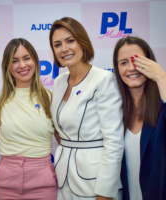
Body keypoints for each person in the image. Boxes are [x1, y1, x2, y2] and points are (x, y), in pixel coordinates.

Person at [49, 17, 124, 200]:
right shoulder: (58, 83)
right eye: (57, 44)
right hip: (63, 179)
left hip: (95, 182)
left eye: (70, 41)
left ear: (82, 42)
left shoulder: (103, 79)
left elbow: (114, 142)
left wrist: (104, 193)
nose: (64, 48)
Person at [113, 36, 166, 200]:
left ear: (151, 63)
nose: (131, 68)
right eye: (123, 62)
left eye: (137, 61)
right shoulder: (116, 108)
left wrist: (161, 77)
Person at [0, 38, 57, 200]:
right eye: (14, 61)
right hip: (5, 183)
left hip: (43, 182)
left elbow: (65, 139)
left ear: (35, 61)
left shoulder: (51, 98)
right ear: (7, 67)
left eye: (26, 58)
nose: (22, 65)